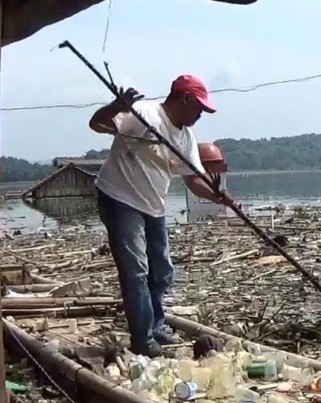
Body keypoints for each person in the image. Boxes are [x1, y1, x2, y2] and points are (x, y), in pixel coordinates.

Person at [88, 75, 231, 357]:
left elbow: (193, 179)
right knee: (136, 272)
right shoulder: (143, 114)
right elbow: (97, 124)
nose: (201, 114)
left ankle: (156, 326)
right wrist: (116, 106)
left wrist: (216, 196)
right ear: (184, 98)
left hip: (153, 206)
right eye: (199, 107)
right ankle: (142, 340)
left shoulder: (186, 137)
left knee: (162, 272)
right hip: (120, 199)